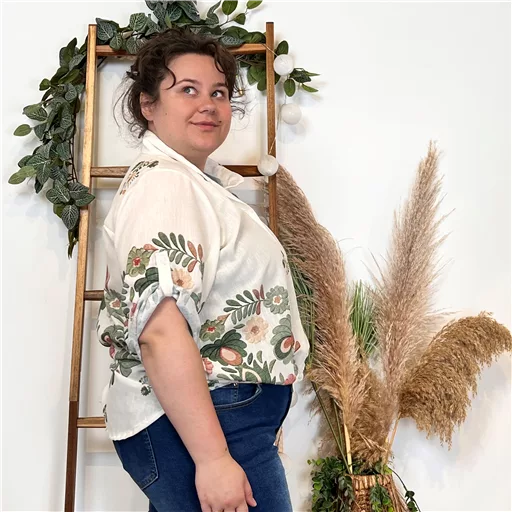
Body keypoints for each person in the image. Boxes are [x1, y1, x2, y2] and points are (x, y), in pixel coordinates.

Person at [96, 27, 310, 512]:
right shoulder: (166, 188)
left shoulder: (192, 184)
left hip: (218, 420)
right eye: (187, 90)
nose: (208, 105)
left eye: (218, 93)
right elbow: (160, 332)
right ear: (148, 105)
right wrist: (213, 458)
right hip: (215, 424)